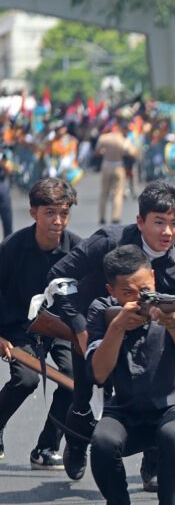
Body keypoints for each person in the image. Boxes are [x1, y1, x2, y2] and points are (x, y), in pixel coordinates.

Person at [46, 180, 175, 485]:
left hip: (152, 334)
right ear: (140, 221)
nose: (167, 232)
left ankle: (153, 461)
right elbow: (58, 275)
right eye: (159, 222)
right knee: (85, 392)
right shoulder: (108, 240)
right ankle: (76, 442)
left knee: (161, 392)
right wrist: (79, 328)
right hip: (95, 325)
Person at [87, 245, 175, 505]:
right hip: (126, 408)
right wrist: (117, 328)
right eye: (128, 293)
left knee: (171, 435)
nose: (139, 298)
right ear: (111, 291)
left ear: (152, 276)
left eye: (144, 289)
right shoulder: (102, 312)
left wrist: (173, 323)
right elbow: (99, 373)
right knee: (102, 442)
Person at [0, 178, 79, 468]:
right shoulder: (11, 248)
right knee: (26, 379)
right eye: (50, 213)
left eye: (64, 213)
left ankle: (46, 447)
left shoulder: (78, 251)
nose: (58, 221)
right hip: (18, 326)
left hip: (59, 327)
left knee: (73, 380)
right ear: (33, 213)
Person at [96, 122, 137, 225]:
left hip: (106, 165)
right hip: (118, 166)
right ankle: (115, 216)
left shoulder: (104, 138)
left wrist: (104, 153)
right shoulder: (123, 140)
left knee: (104, 193)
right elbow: (132, 152)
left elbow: (97, 151)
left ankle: (102, 217)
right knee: (118, 193)